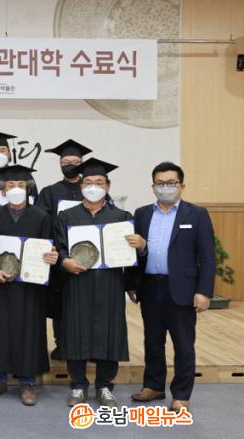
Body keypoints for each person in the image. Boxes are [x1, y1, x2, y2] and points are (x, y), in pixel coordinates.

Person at [54, 158, 146, 408]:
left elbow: (131, 258)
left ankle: (104, 386)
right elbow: (58, 248)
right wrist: (64, 262)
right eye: (88, 182)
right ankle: (78, 385)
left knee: (109, 333)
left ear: (108, 186)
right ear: (81, 185)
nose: (93, 186)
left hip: (110, 284)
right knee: (76, 332)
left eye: (99, 182)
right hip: (77, 283)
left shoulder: (122, 217)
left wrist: (140, 251)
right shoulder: (66, 216)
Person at [130, 161, 215, 413]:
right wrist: (132, 283)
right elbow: (135, 253)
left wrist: (204, 291)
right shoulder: (142, 214)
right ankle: (153, 386)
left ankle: (181, 394)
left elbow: (208, 257)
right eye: (160, 183)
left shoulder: (197, 214)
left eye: (171, 183)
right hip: (150, 286)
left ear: (181, 186)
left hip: (182, 289)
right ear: (153, 186)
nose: (165, 187)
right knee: (152, 341)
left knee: (183, 344)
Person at [0, 165, 59, 406]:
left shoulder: (42, 217)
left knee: (29, 331)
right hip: (1, 285)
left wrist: (51, 256)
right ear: (3, 191)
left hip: (30, 286)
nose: (16, 189)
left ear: (28, 189)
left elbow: (50, 248)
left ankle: (27, 381)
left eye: (21, 185)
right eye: (10, 186)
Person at [34, 139, 92, 361]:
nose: (70, 165)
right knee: (60, 303)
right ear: (60, 163)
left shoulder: (90, 190)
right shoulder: (50, 192)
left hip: (89, 256)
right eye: (65, 161)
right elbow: (40, 222)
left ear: (82, 162)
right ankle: (62, 344)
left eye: (75, 162)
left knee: (87, 303)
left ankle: (88, 345)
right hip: (60, 255)